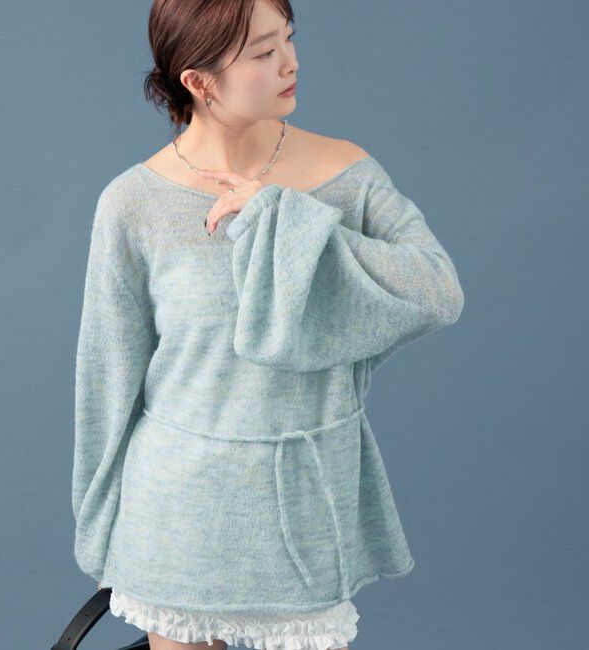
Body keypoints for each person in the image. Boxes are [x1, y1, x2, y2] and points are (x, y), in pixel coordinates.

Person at [72, 1, 465, 649]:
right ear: (199, 81)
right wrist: (99, 530)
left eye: (289, 38)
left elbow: (437, 291)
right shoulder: (133, 203)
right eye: (262, 51)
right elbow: (106, 377)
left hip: (302, 503)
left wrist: (282, 218)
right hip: (176, 511)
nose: (291, 62)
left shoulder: (344, 173)